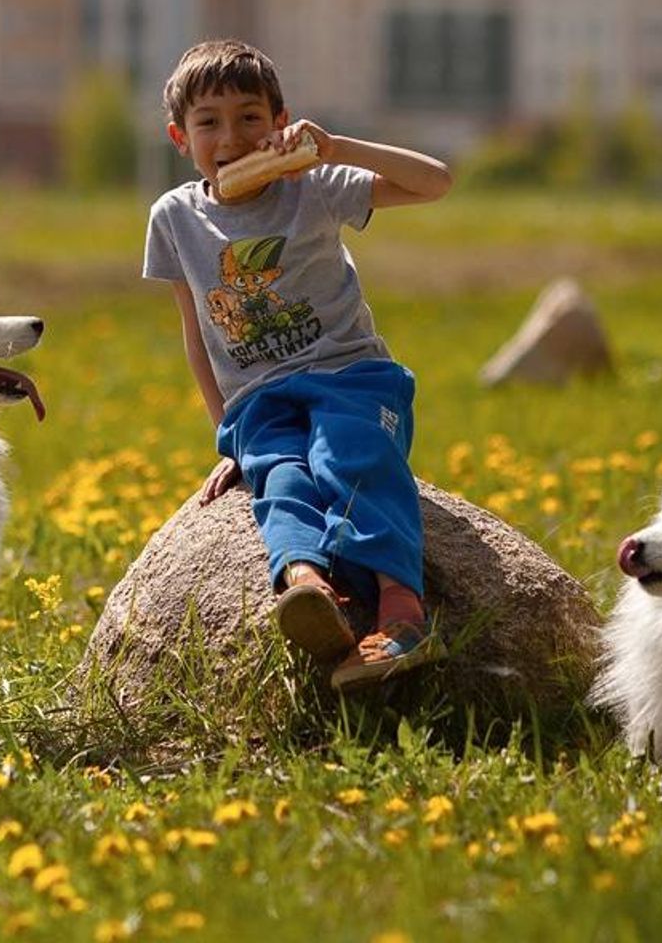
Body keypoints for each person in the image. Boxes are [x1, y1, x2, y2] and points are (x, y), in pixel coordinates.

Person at [142, 38, 454, 691]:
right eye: (209, 122)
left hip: (351, 378)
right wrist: (226, 433)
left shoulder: (313, 187)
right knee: (278, 479)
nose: (232, 135)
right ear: (180, 136)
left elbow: (436, 182)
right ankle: (309, 589)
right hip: (259, 401)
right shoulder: (174, 217)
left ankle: (401, 613)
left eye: (250, 117)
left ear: (280, 124)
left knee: (352, 457)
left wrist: (337, 148)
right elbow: (196, 331)